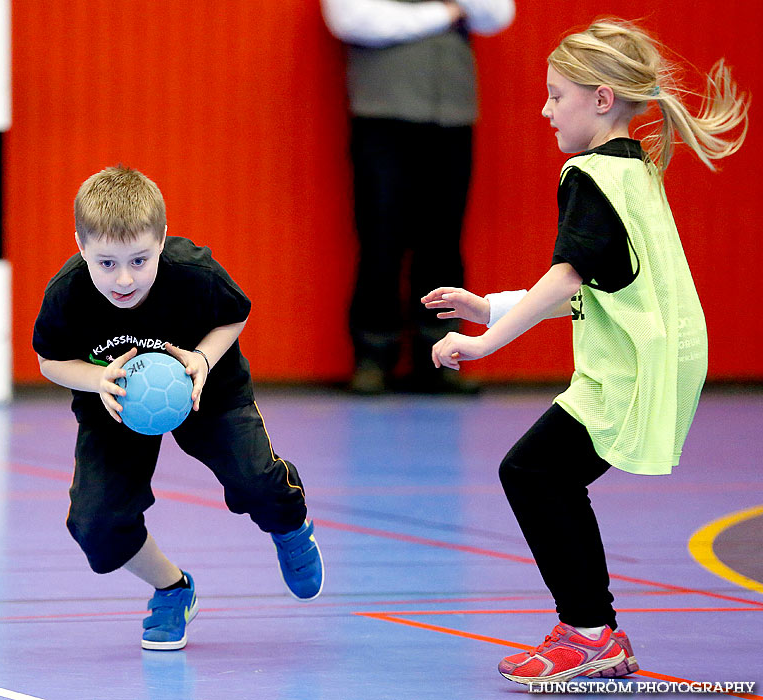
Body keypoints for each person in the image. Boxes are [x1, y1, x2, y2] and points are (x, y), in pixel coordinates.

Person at [422, 18, 748, 684]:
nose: (544, 110)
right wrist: (496, 305)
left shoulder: (590, 173)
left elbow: (569, 276)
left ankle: (590, 632)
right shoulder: (636, 172)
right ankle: (592, 628)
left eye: (556, 95)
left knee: (534, 474)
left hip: (632, 370)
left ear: (601, 99)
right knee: (546, 475)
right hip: (656, 356)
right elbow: (602, 286)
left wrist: (484, 340)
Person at [32, 166, 324, 651]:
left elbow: (236, 314)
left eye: (139, 261)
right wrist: (95, 378)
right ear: (81, 247)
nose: (124, 279)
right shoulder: (66, 293)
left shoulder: (193, 272)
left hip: (204, 387)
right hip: (116, 402)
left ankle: (290, 525)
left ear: (162, 241)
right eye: (106, 263)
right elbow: (49, 360)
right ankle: (172, 590)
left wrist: (203, 359)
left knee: (255, 479)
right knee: (96, 525)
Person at [320, 0, 515, 393]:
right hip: (382, 114)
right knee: (380, 239)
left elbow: (497, 14)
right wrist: (444, 14)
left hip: (452, 115)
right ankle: (373, 357)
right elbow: (352, 19)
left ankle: (441, 357)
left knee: (443, 242)